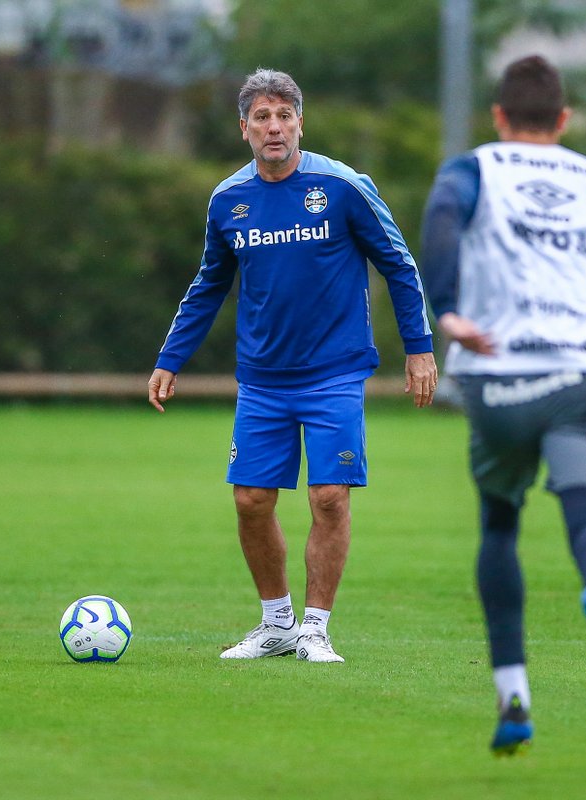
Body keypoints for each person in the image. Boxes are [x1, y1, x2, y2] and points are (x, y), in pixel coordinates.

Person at [148, 68, 437, 665]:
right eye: (262, 117)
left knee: (329, 496)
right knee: (251, 501)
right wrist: (171, 358)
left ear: (301, 122)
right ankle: (277, 623)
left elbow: (399, 264)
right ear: (244, 129)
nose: (274, 127)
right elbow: (209, 284)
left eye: (284, 116)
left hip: (335, 372)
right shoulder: (228, 200)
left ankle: (316, 629)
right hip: (263, 378)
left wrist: (419, 347)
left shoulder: (343, 186)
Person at [420, 55, 586, 755]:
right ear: (564, 119)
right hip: (581, 373)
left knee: (500, 526)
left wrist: (449, 309)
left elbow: (441, 215)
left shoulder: (475, 168)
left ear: (499, 116)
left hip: (498, 374)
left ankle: (513, 695)